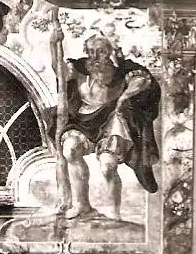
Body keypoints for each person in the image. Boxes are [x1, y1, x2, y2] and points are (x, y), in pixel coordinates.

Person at [54, 32, 160, 221]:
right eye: (91, 51)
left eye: (101, 51)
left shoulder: (121, 71)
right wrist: (54, 44)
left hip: (111, 122)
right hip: (84, 122)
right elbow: (59, 71)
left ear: (110, 52)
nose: (95, 56)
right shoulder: (78, 69)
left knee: (108, 164)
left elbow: (143, 80)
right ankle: (81, 205)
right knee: (70, 149)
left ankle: (113, 211)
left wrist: (125, 96)